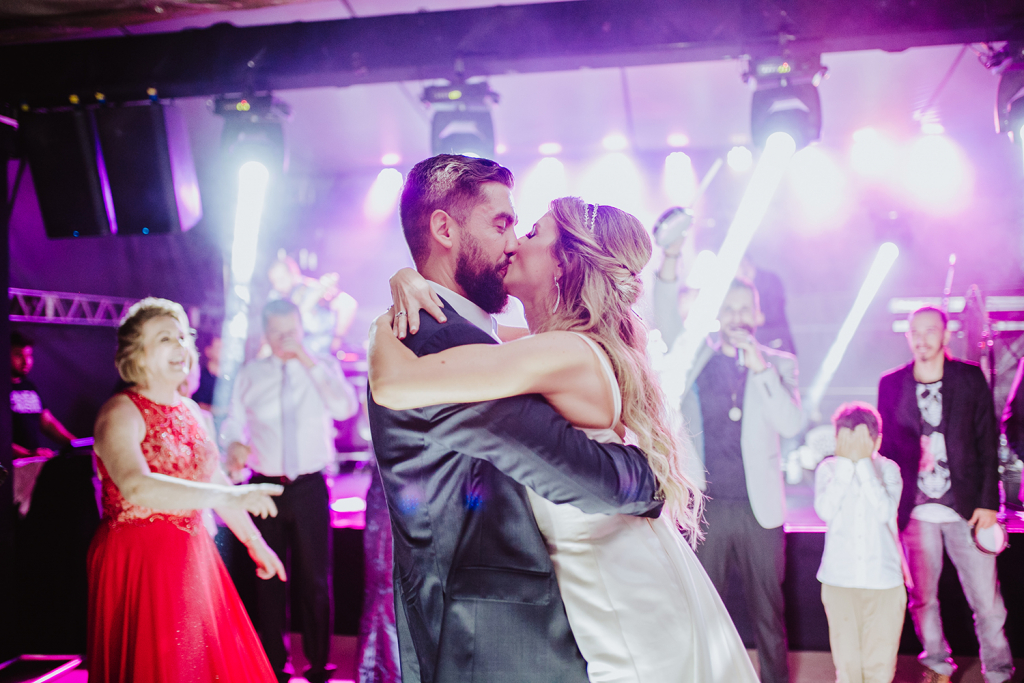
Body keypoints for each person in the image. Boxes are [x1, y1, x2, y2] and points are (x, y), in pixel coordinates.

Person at [372, 183, 758, 681]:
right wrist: (408, 279)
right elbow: (480, 333)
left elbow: (396, 382)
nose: (515, 242)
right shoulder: (564, 345)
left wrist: (384, 325)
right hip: (622, 589)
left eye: (533, 233)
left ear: (563, 265)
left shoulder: (563, 353)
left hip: (626, 608)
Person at [87, 297, 286, 683]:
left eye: (182, 337)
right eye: (165, 338)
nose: (180, 346)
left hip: (193, 556)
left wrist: (255, 543)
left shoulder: (194, 412)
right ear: (137, 354)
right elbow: (135, 486)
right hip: (138, 559)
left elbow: (216, 481)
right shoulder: (119, 412)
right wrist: (228, 496)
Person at [221, 298, 359, 683]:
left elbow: (345, 408)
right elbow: (232, 424)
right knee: (268, 577)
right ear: (265, 333)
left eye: (291, 331)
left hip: (310, 485)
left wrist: (307, 360)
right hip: (264, 486)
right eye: (277, 332)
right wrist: (234, 445)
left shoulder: (322, 366)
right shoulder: (250, 374)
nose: (285, 339)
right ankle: (273, 665)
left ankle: (318, 664)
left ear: (301, 329)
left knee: (316, 579)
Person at [877, 306, 1013, 683]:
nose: (922, 339)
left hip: (967, 509)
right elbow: (886, 450)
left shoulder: (968, 378)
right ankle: (936, 665)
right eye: (915, 331)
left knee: (986, 600)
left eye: (930, 330)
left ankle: (998, 670)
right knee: (923, 598)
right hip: (915, 512)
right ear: (908, 336)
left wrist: (989, 503)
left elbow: (987, 442)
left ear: (945, 334)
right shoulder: (891, 383)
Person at [677, 277, 802, 683]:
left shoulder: (779, 364)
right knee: (704, 610)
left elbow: (791, 423)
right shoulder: (696, 360)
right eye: (729, 308)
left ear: (758, 314)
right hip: (707, 505)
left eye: (745, 308)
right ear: (717, 315)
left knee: (769, 613)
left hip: (758, 508)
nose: (737, 317)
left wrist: (760, 368)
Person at [814, 402, 905, 683]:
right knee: (848, 669)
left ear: (876, 440)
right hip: (840, 582)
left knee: (880, 668)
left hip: (884, 582)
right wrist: (846, 464)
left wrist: (864, 463)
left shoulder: (888, 469)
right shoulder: (828, 469)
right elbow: (825, 510)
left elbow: (885, 511)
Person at [11, 329, 76, 459]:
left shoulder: (29, 387)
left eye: (29, 355)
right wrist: (27, 454)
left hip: (30, 465)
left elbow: (47, 423)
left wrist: (74, 443)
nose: (26, 361)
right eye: (18, 355)